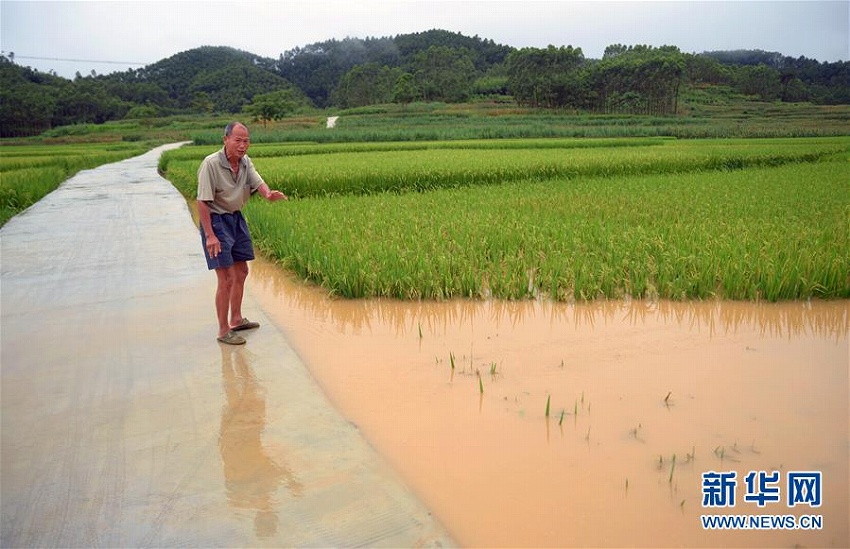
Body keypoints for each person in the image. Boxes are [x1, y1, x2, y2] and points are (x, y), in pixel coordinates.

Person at [197, 121, 287, 345]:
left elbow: (258, 182)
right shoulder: (210, 164)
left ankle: (236, 319)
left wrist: (268, 194)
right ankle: (223, 330)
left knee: (241, 271)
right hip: (216, 221)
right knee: (225, 278)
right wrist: (210, 235)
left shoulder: (245, 163)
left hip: (236, 218)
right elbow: (202, 202)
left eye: (246, 141)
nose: (242, 145)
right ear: (225, 140)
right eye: (237, 140)